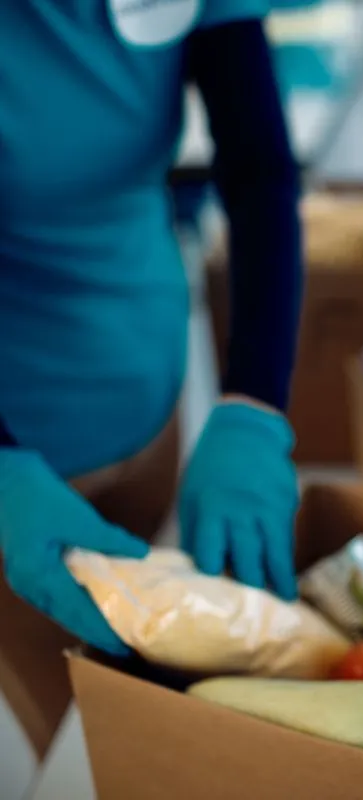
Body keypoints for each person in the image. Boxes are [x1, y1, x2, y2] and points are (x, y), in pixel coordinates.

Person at [0, 0, 303, 754]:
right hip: (18, 434)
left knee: (149, 709)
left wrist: (252, 407)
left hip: (142, 376)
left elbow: (260, 169)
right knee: (68, 726)